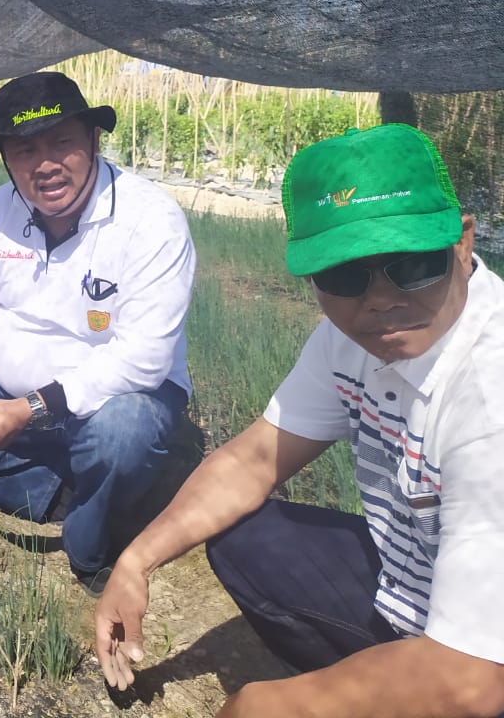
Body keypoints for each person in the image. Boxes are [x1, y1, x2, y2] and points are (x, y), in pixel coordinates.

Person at [94, 123, 504, 718]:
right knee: (246, 538)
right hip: (416, 596)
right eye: (345, 276)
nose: (381, 297)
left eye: (413, 265)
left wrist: (273, 706)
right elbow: (254, 459)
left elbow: (476, 680)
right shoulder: (356, 339)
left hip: (485, 662)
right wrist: (135, 561)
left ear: (463, 246)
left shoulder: (489, 398)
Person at [0, 71, 196, 593]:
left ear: (93, 141)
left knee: (123, 436)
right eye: (26, 150)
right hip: (11, 394)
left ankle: (93, 544)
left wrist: (26, 411)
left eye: (62, 143)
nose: (47, 165)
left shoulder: (151, 221)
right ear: (7, 160)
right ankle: (71, 490)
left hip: (119, 399)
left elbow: (143, 359)